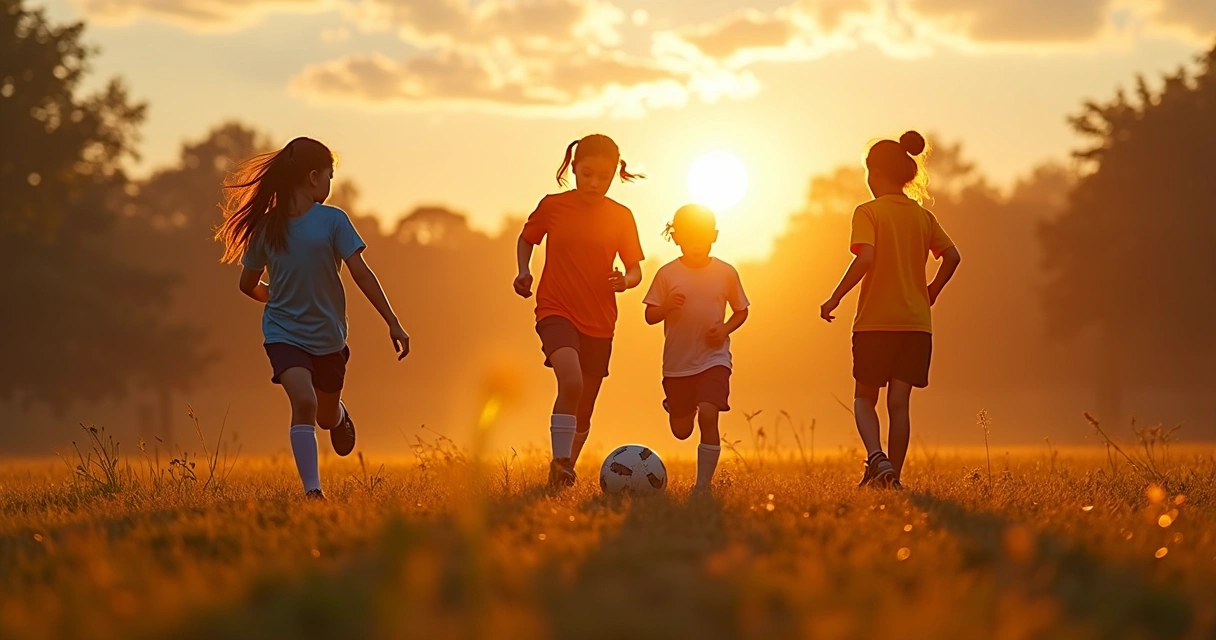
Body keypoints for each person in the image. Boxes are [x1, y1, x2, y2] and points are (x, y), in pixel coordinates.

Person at [215, 137, 410, 499]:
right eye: (330, 175)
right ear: (313, 177)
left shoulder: (333, 221)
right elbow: (248, 283)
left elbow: (362, 274)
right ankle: (313, 492)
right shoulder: (267, 228)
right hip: (283, 333)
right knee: (303, 401)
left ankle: (338, 417)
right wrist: (277, 299)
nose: (330, 183)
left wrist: (392, 321)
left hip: (329, 336)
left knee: (323, 414)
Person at [820, 130, 961, 489]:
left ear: (875, 173)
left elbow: (865, 257)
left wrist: (835, 297)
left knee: (865, 398)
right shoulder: (922, 216)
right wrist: (933, 290)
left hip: (875, 324)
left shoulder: (867, 212)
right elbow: (952, 256)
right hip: (916, 325)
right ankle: (891, 477)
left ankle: (876, 458)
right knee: (899, 404)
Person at [513, 134, 645, 489]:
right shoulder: (553, 206)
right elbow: (528, 237)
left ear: (615, 174)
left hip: (600, 321)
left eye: (603, 177)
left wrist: (625, 281)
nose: (594, 183)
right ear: (573, 169)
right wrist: (523, 270)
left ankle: (563, 471)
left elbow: (635, 268)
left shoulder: (621, 216)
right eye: (586, 174)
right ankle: (559, 461)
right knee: (570, 381)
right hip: (555, 309)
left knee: (584, 405)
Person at [643, 204, 749, 492]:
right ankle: (676, 407)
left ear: (713, 236)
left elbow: (741, 310)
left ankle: (702, 486)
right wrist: (666, 306)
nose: (696, 243)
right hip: (677, 365)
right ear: (676, 238)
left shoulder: (726, 272)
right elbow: (650, 316)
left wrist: (725, 329)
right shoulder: (667, 274)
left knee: (708, 413)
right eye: (689, 236)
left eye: (702, 236)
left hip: (714, 359)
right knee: (681, 431)